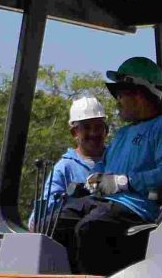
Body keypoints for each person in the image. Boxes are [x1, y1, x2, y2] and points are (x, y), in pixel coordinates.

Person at [64, 57, 162, 272]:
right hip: (104, 202)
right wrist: (95, 178)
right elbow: (105, 166)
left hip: (137, 208)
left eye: (120, 94)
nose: (117, 101)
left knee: (90, 228)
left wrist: (125, 182)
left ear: (139, 94)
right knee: (56, 222)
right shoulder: (123, 134)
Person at [37, 94, 112, 223]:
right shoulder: (64, 168)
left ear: (106, 130)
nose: (93, 133)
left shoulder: (117, 158)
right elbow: (45, 212)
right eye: (86, 127)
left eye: (98, 126)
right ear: (74, 132)